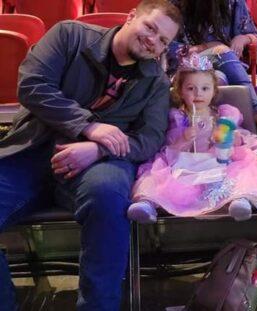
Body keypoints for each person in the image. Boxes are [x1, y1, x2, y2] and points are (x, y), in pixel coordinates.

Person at [0, 0, 182, 309]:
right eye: (150, 28)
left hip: (99, 162)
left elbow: (149, 139)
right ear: (130, 17)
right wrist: (87, 127)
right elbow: (32, 85)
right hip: (34, 148)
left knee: (107, 196)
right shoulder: (69, 36)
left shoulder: (156, 82)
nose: (154, 41)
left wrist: (98, 148)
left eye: (164, 40)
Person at [127, 53, 257, 223]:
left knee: (243, 174)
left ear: (213, 91)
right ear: (180, 91)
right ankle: (147, 204)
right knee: (156, 179)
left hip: (220, 164)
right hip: (186, 165)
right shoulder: (177, 117)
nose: (198, 94)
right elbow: (170, 148)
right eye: (191, 88)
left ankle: (240, 200)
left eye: (205, 88)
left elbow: (242, 138)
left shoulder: (224, 114)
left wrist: (233, 139)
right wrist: (184, 138)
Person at [167, 0, 257, 145]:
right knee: (224, 53)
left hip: (225, 68)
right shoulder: (173, 3)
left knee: (219, 78)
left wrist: (243, 38)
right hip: (185, 66)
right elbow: (166, 45)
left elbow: (254, 34)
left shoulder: (232, 1)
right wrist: (207, 47)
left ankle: (220, 138)